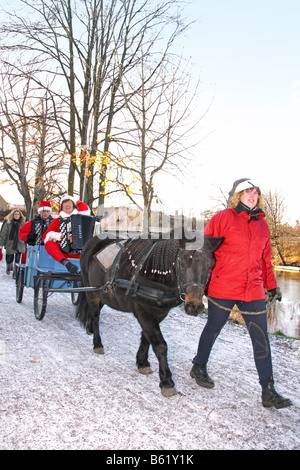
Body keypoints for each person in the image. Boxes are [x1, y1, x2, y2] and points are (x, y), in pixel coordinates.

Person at [190, 179, 293, 409]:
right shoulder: (223, 218)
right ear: (238, 195)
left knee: (260, 337)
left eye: (255, 192)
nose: (252, 195)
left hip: (253, 289)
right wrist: (200, 284)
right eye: (247, 191)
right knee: (213, 329)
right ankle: (198, 365)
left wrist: (272, 284)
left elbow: (265, 260)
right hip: (224, 285)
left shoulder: (262, 224)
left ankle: (268, 390)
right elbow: (203, 251)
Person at [42, 195, 90, 274]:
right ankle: (67, 264)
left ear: (73, 206)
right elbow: (45, 237)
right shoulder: (58, 220)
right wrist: (54, 235)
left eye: (69, 203)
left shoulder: (83, 219)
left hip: (81, 253)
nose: (67, 205)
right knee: (49, 244)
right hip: (63, 252)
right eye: (64, 203)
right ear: (62, 206)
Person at [0, 209, 26, 276]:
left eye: (18, 214)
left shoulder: (22, 224)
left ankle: (15, 272)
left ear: (20, 215)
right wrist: (1, 244)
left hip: (19, 243)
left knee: (17, 259)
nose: (16, 216)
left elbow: (25, 233)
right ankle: (9, 265)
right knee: (9, 258)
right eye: (15, 214)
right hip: (10, 243)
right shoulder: (8, 224)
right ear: (12, 215)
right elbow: (3, 234)